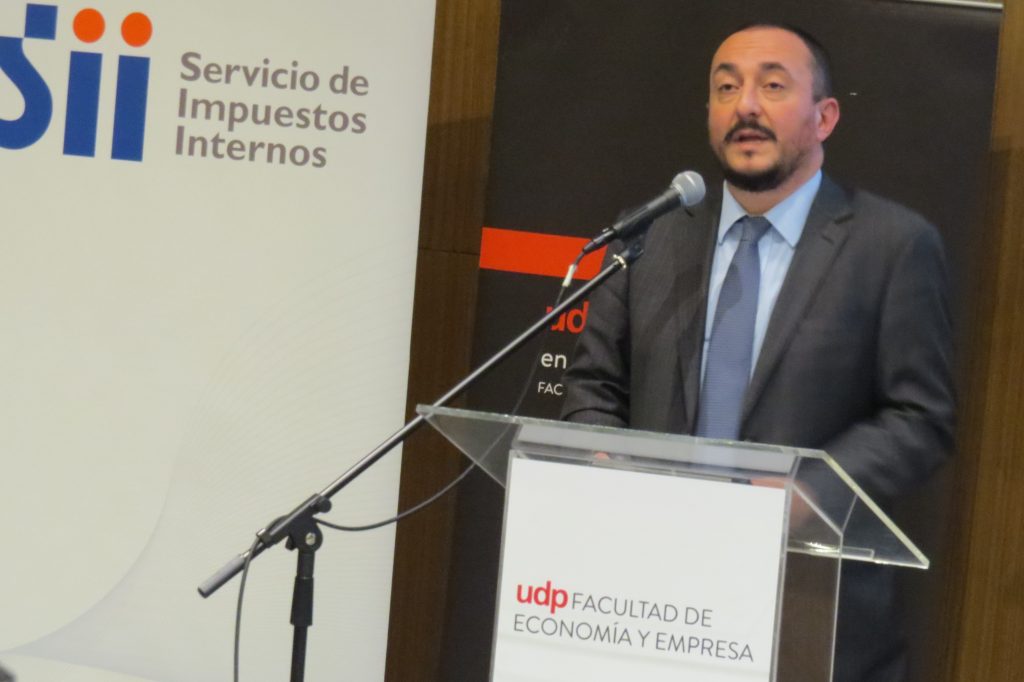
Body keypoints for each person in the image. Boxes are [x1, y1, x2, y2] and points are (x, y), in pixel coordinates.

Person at [560, 23, 955, 682]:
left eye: (773, 86)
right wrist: (607, 465)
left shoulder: (891, 245)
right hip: (650, 599)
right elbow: (593, 387)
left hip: (806, 604)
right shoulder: (651, 236)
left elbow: (921, 417)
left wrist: (811, 492)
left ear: (824, 117)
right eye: (726, 88)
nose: (745, 105)